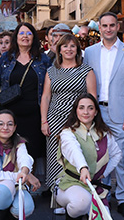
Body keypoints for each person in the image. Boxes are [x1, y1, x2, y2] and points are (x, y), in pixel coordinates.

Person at [83, 12, 124, 219]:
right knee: (99, 156)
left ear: (118, 27)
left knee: (122, 158)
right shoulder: (89, 52)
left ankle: (123, 199)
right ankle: (102, 196)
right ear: (99, 27)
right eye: (104, 25)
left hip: (120, 113)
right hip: (96, 112)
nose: (108, 29)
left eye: (112, 25)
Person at [54, 93, 122, 220]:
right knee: (82, 202)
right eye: (82, 108)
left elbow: (117, 154)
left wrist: (103, 173)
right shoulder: (68, 133)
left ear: (96, 112)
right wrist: (83, 168)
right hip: (71, 184)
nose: (86, 112)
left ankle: (86, 215)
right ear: (76, 111)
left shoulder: (104, 133)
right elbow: (74, 151)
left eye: (90, 108)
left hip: (95, 186)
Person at [0, 22, 52, 184]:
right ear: (16, 37)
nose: (25, 36)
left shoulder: (42, 59)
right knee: (9, 150)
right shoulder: (6, 58)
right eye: (21, 33)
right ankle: (11, 183)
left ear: (33, 37)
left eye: (28, 33)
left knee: (31, 152)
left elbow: (49, 88)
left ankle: (28, 186)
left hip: (34, 115)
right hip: (10, 114)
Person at [40, 33, 96, 190]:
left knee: (77, 153)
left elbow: (92, 98)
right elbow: (45, 97)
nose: (69, 49)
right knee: (55, 156)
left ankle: (77, 189)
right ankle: (57, 191)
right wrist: (44, 121)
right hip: (55, 118)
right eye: (65, 46)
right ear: (59, 50)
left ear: (77, 49)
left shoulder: (86, 70)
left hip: (79, 120)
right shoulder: (52, 71)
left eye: (72, 46)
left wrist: (89, 120)